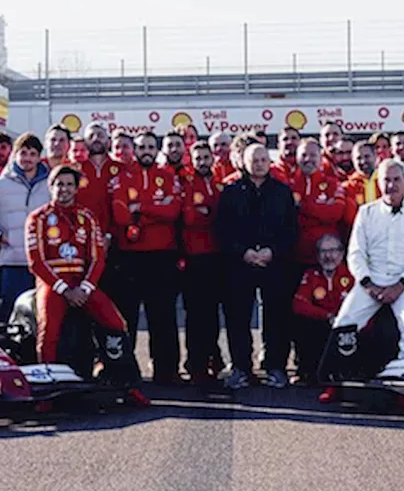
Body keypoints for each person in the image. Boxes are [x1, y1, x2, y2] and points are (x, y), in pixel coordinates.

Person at [24, 165, 144, 408]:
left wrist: (85, 288)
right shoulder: (38, 218)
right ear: (51, 186)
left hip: (82, 283)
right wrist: (64, 289)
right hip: (53, 284)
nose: (64, 189)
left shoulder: (87, 217)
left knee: (116, 321)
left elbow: (98, 258)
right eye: (60, 184)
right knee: (48, 330)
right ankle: (46, 391)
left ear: (76, 188)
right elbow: (35, 262)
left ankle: (126, 382)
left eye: (69, 185)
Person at [327, 159, 404, 376]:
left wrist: (400, 286)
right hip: (371, 280)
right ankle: (336, 379)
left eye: (396, 180)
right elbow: (355, 253)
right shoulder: (366, 212)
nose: (391, 185)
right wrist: (368, 285)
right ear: (379, 183)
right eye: (386, 180)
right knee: (344, 324)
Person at [214, 143, 298, 389]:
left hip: (275, 263)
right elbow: (221, 229)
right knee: (238, 317)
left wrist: (273, 251)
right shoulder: (230, 191)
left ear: (269, 162)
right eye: (255, 159)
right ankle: (241, 367)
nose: (259, 163)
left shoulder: (282, 191)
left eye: (263, 159)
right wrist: (244, 252)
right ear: (243, 161)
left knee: (276, 316)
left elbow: (291, 229)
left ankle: (275, 367)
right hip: (240, 263)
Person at [109, 131, 183, 384]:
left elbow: (173, 211)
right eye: (142, 147)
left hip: (162, 257)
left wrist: (141, 208)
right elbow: (120, 215)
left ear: (157, 149)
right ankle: (127, 371)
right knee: (127, 317)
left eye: (151, 147)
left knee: (163, 316)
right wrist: (154, 212)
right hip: (129, 258)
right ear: (135, 150)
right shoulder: (121, 178)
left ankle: (167, 371)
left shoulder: (168, 176)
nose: (147, 151)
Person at [0, 132, 51, 319]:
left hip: (45, 263)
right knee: (12, 315)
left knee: (44, 315)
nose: (27, 158)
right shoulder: (2, 185)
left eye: (32, 154)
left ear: (39, 157)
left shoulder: (50, 185)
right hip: (13, 262)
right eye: (23, 153)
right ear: (15, 154)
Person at [181, 141, 225, 383]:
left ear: (212, 159)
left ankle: (213, 358)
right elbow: (188, 216)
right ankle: (195, 363)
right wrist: (205, 212)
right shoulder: (187, 184)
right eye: (197, 158)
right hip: (194, 257)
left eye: (206, 157)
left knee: (212, 314)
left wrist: (207, 212)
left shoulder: (220, 184)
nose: (202, 162)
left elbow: (224, 216)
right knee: (195, 314)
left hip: (217, 257)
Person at [292, 233, 353, 385]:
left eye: (333, 250)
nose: (328, 256)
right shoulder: (311, 275)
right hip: (322, 324)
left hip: (346, 326)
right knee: (302, 323)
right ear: (317, 256)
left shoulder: (352, 275)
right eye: (323, 251)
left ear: (342, 253)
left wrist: (341, 319)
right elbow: (299, 304)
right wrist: (327, 316)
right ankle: (307, 372)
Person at [290, 138, 346, 268]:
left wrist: (302, 206)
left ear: (321, 158)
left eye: (313, 155)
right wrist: (322, 209)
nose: (308, 159)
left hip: (328, 258)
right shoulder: (289, 185)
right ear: (297, 158)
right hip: (296, 258)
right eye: (304, 155)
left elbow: (335, 213)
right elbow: (290, 219)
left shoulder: (333, 183)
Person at [75, 121, 126, 239]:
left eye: (100, 135)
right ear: (85, 142)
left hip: (116, 237)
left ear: (108, 142)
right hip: (83, 235)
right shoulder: (75, 169)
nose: (96, 138)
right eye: (91, 136)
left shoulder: (122, 168)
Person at [342, 139, 380, 228]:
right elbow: (349, 218)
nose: (363, 161)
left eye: (367, 156)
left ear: (375, 156)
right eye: (358, 158)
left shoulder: (386, 180)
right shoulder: (348, 187)